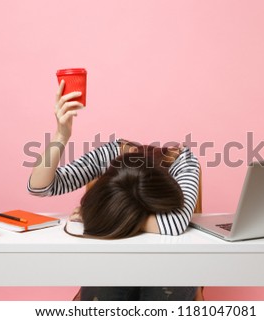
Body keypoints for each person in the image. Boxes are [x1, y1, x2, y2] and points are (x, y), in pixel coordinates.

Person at [28, 80, 200, 300]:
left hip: (168, 264)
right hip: (115, 262)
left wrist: (98, 215)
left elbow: (175, 224)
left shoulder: (183, 162)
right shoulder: (112, 153)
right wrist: (61, 135)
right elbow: (40, 186)